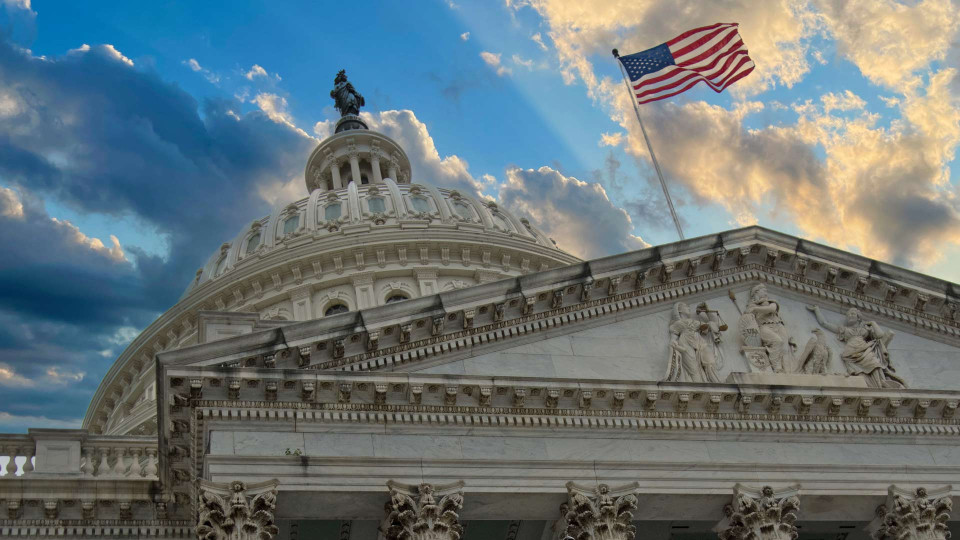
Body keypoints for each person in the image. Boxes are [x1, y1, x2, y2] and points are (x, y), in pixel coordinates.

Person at [806, 305, 906, 388]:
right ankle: (871, 385)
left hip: (866, 349)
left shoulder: (865, 329)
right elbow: (824, 323)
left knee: (875, 364)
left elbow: (880, 335)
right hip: (851, 353)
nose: (849, 315)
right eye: (848, 314)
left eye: (852, 313)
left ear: (858, 317)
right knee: (860, 372)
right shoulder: (844, 330)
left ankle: (880, 384)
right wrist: (817, 310)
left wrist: (873, 323)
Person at [665, 302, 711, 382]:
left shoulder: (694, 322)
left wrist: (707, 312)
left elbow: (710, 327)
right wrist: (673, 342)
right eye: (686, 306)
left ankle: (701, 386)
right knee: (694, 369)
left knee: (701, 366)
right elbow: (673, 337)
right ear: (679, 310)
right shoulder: (678, 323)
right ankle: (699, 387)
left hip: (697, 345)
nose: (689, 308)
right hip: (685, 344)